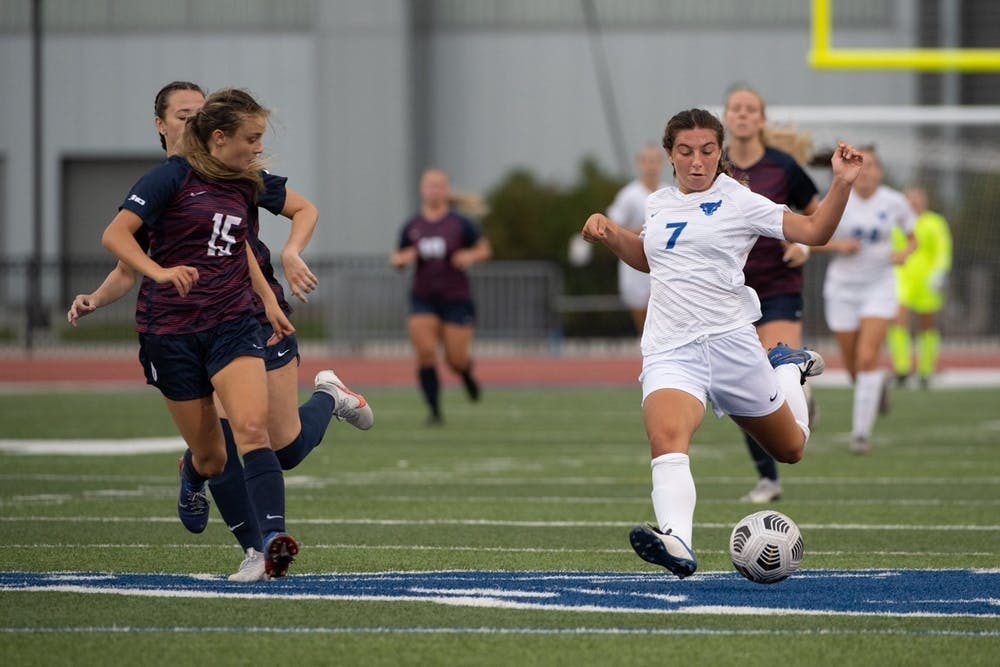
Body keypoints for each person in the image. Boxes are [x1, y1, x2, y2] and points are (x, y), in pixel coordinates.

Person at [69, 82, 373, 581]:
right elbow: (121, 246)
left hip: (238, 320)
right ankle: (212, 492)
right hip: (172, 331)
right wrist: (129, 286)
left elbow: (246, 249)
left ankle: (272, 541)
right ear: (171, 126)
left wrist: (275, 293)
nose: (258, 147)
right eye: (183, 114)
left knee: (264, 438)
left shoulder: (244, 177)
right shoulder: (166, 179)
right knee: (214, 454)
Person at [581, 108, 864, 579]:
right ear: (670, 155)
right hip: (672, 349)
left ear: (720, 153)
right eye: (686, 152)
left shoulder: (741, 200)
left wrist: (842, 183)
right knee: (666, 437)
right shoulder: (658, 203)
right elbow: (651, 261)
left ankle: (787, 367)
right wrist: (611, 234)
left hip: (733, 345)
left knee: (790, 449)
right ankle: (677, 540)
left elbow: (815, 232)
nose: (697, 162)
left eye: (708, 151)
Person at [722, 84, 821, 504]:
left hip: (779, 286)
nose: (743, 115)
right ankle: (769, 479)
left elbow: (816, 212)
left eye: (750, 109)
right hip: (732, 292)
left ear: (761, 119)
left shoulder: (782, 167)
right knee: (744, 385)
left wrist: (804, 245)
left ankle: (794, 380)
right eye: (735, 108)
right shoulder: (715, 168)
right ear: (726, 117)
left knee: (766, 368)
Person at [813, 146, 916, 455]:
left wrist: (903, 253)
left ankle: (860, 435)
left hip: (879, 286)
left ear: (880, 171)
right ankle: (876, 384)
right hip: (843, 288)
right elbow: (811, 238)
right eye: (862, 165)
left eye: (871, 165)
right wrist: (838, 246)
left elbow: (913, 239)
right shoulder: (837, 197)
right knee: (853, 368)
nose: (867, 171)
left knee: (868, 356)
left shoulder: (895, 202)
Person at [390, 168, 492, 425]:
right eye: (429, 185)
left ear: (446, 190)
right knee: (425, 352)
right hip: (423, 298)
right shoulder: (413, 225)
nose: (434, 190)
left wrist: (469, 256)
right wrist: (404, 259)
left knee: (455, 360)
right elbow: (397, 258)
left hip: (456, 297)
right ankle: (435, 412)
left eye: (439, 186)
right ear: (422, 190)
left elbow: (484, 249)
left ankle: (466, 373)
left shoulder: (459, 223)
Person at [887, 186, 953, 389]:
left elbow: (943, 249)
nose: (914, 203)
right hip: (901, 277)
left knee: (927, 324)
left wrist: (939, 272)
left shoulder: (935, 222)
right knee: (898, 320)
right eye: (910, 199)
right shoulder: (896, 222)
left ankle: (926, 370)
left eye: (918, 199)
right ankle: (902, 369)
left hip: (927, 280)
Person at [606, 144, 667, 335]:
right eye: (647, 161)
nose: (651, 166)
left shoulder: (668, 193)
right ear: (639, 164)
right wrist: (644, 231)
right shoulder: (629, 195)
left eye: (655, 161)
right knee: (640, 310)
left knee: (661, 311)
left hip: (662, 261)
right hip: (634, 261)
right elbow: (612, 226)